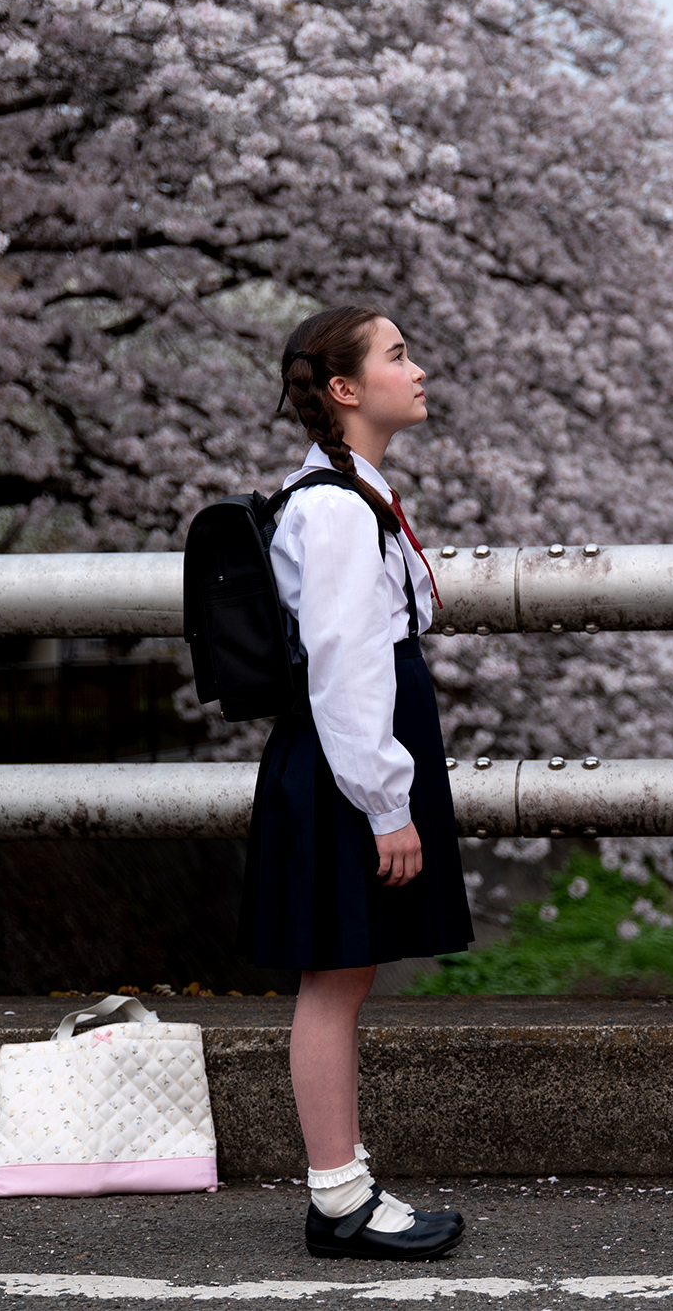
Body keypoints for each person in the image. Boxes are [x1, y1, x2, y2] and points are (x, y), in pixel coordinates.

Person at [239, 304, 474, 1261]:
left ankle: (344, 1188)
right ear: (344, 390)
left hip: (343, 757)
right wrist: (388, 803)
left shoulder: (346, 494)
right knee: (334, 983)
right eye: (397, 356)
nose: (416, 371)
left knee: (344, 974)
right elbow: (345, 668)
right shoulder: (334, 508)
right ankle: (339, 1197)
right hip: (346, 764)